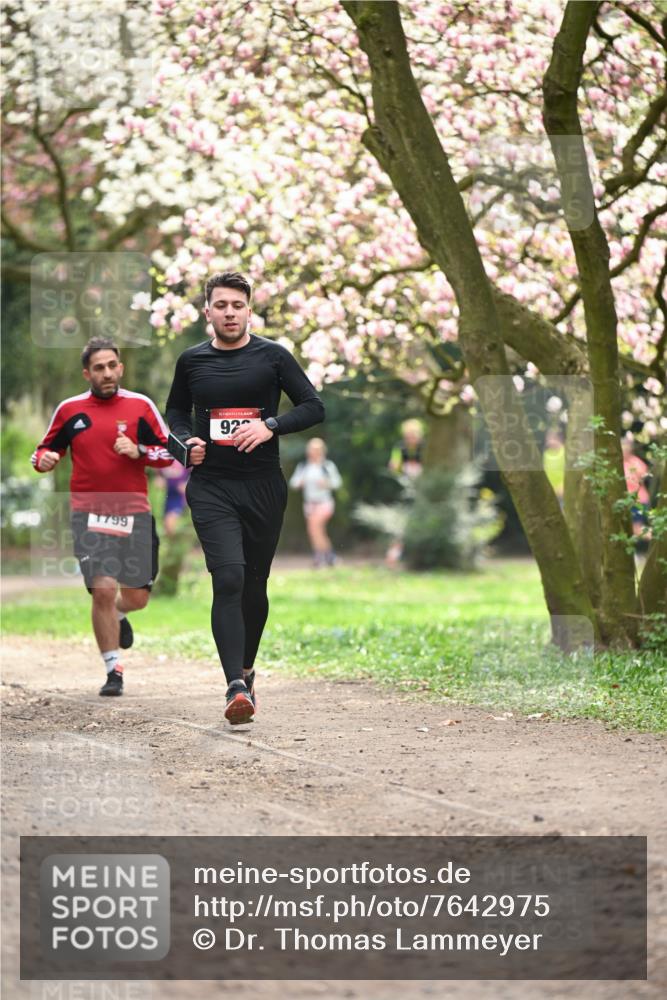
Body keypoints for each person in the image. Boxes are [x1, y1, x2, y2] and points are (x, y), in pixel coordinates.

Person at [165, 271, 324, 725]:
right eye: (221, 305)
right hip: (212, 485)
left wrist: (270, 425)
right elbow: (175, 412)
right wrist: (184, 444)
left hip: (263, 487)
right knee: (229, 577)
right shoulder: (191, 361)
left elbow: (314, 406)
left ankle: (248, 669)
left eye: (237, 305)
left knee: (254, 584)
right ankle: (234, 684)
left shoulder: (273, 356)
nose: (229, 313)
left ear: (248, 310)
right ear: (207, 311)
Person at [31, 336, 173, 696]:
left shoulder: (141, 406)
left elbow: (170, 454)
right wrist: (43, 461)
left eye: (112, 365)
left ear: (121, 368)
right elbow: (45, 449)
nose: (107, 373)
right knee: (103, 590)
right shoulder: (69, 410)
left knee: (137, 596)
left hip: (135, 513)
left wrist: (138, 450)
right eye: (99, 368)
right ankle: (113, 669)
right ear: (87, 373)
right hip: (89, 514)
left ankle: (121, 614)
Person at [290, 437, 342, 567]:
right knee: (316, 531)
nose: (313, 452)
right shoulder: (303, 467)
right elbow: (293, 483)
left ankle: (319, 558)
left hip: (324, 502)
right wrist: (300, 483)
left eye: (316, 450)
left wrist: (327, 483)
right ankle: (330, 557)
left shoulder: (327, 466)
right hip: (309, 503)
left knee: (314, 527)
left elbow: (337, 482)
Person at [386, 418, 424, 565]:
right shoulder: (400, 448)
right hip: (405, 489)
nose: (410, 439)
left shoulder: (425, 447)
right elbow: (394, 467)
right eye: (408, 436)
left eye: (413, 435)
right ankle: (394, 555)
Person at [622, 436, 651, 537]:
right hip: (627, 502)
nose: (625, 448)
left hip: (638, 501)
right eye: (623, 446)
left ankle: (658, 540)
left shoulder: (636, 462)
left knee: (636, 529)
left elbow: (643, 477)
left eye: (627, 446)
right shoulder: (619, 463)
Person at [158, 462, 191, 536]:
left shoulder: (185, 460)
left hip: (177, 497)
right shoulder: (164, 458)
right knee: (165, 525)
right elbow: (159, 473)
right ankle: (168, 540)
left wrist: (187, 485)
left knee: (169, 523)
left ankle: (172, 538)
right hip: (163, 495)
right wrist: (159, 478)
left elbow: (193, 475)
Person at [543, 429, 565, 505]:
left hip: (563, 493)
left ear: (559, 439)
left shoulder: (565, 453)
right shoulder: (546, 454)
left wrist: (562, 487)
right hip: (550, 494)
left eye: (552, 438)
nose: (549, 441)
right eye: (548, 438)